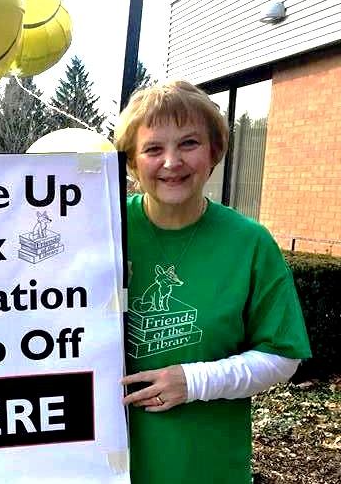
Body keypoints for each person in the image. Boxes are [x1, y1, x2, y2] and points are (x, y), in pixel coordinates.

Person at [116, 81, 311, 484]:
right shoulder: (103, 230)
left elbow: (282, 356)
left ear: (214, 152)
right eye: (153, 149)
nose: (172, 162)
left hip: (207, 467)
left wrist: (195, 381)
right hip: (104, 467)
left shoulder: (249, 243)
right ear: (132, 162)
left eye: (188, 143)